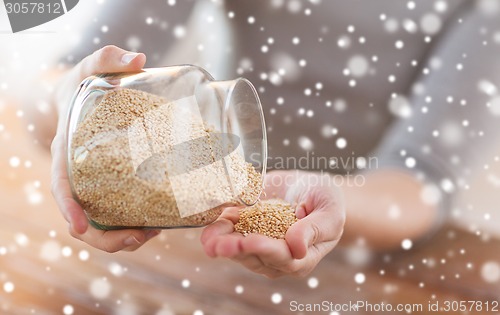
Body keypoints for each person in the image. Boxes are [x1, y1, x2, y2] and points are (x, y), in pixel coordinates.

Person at [30, 0, 500, 278]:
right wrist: (66, 103)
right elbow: (55, 82)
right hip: (200, 211)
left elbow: (419, 182)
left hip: (361, 252)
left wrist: (329, 200)